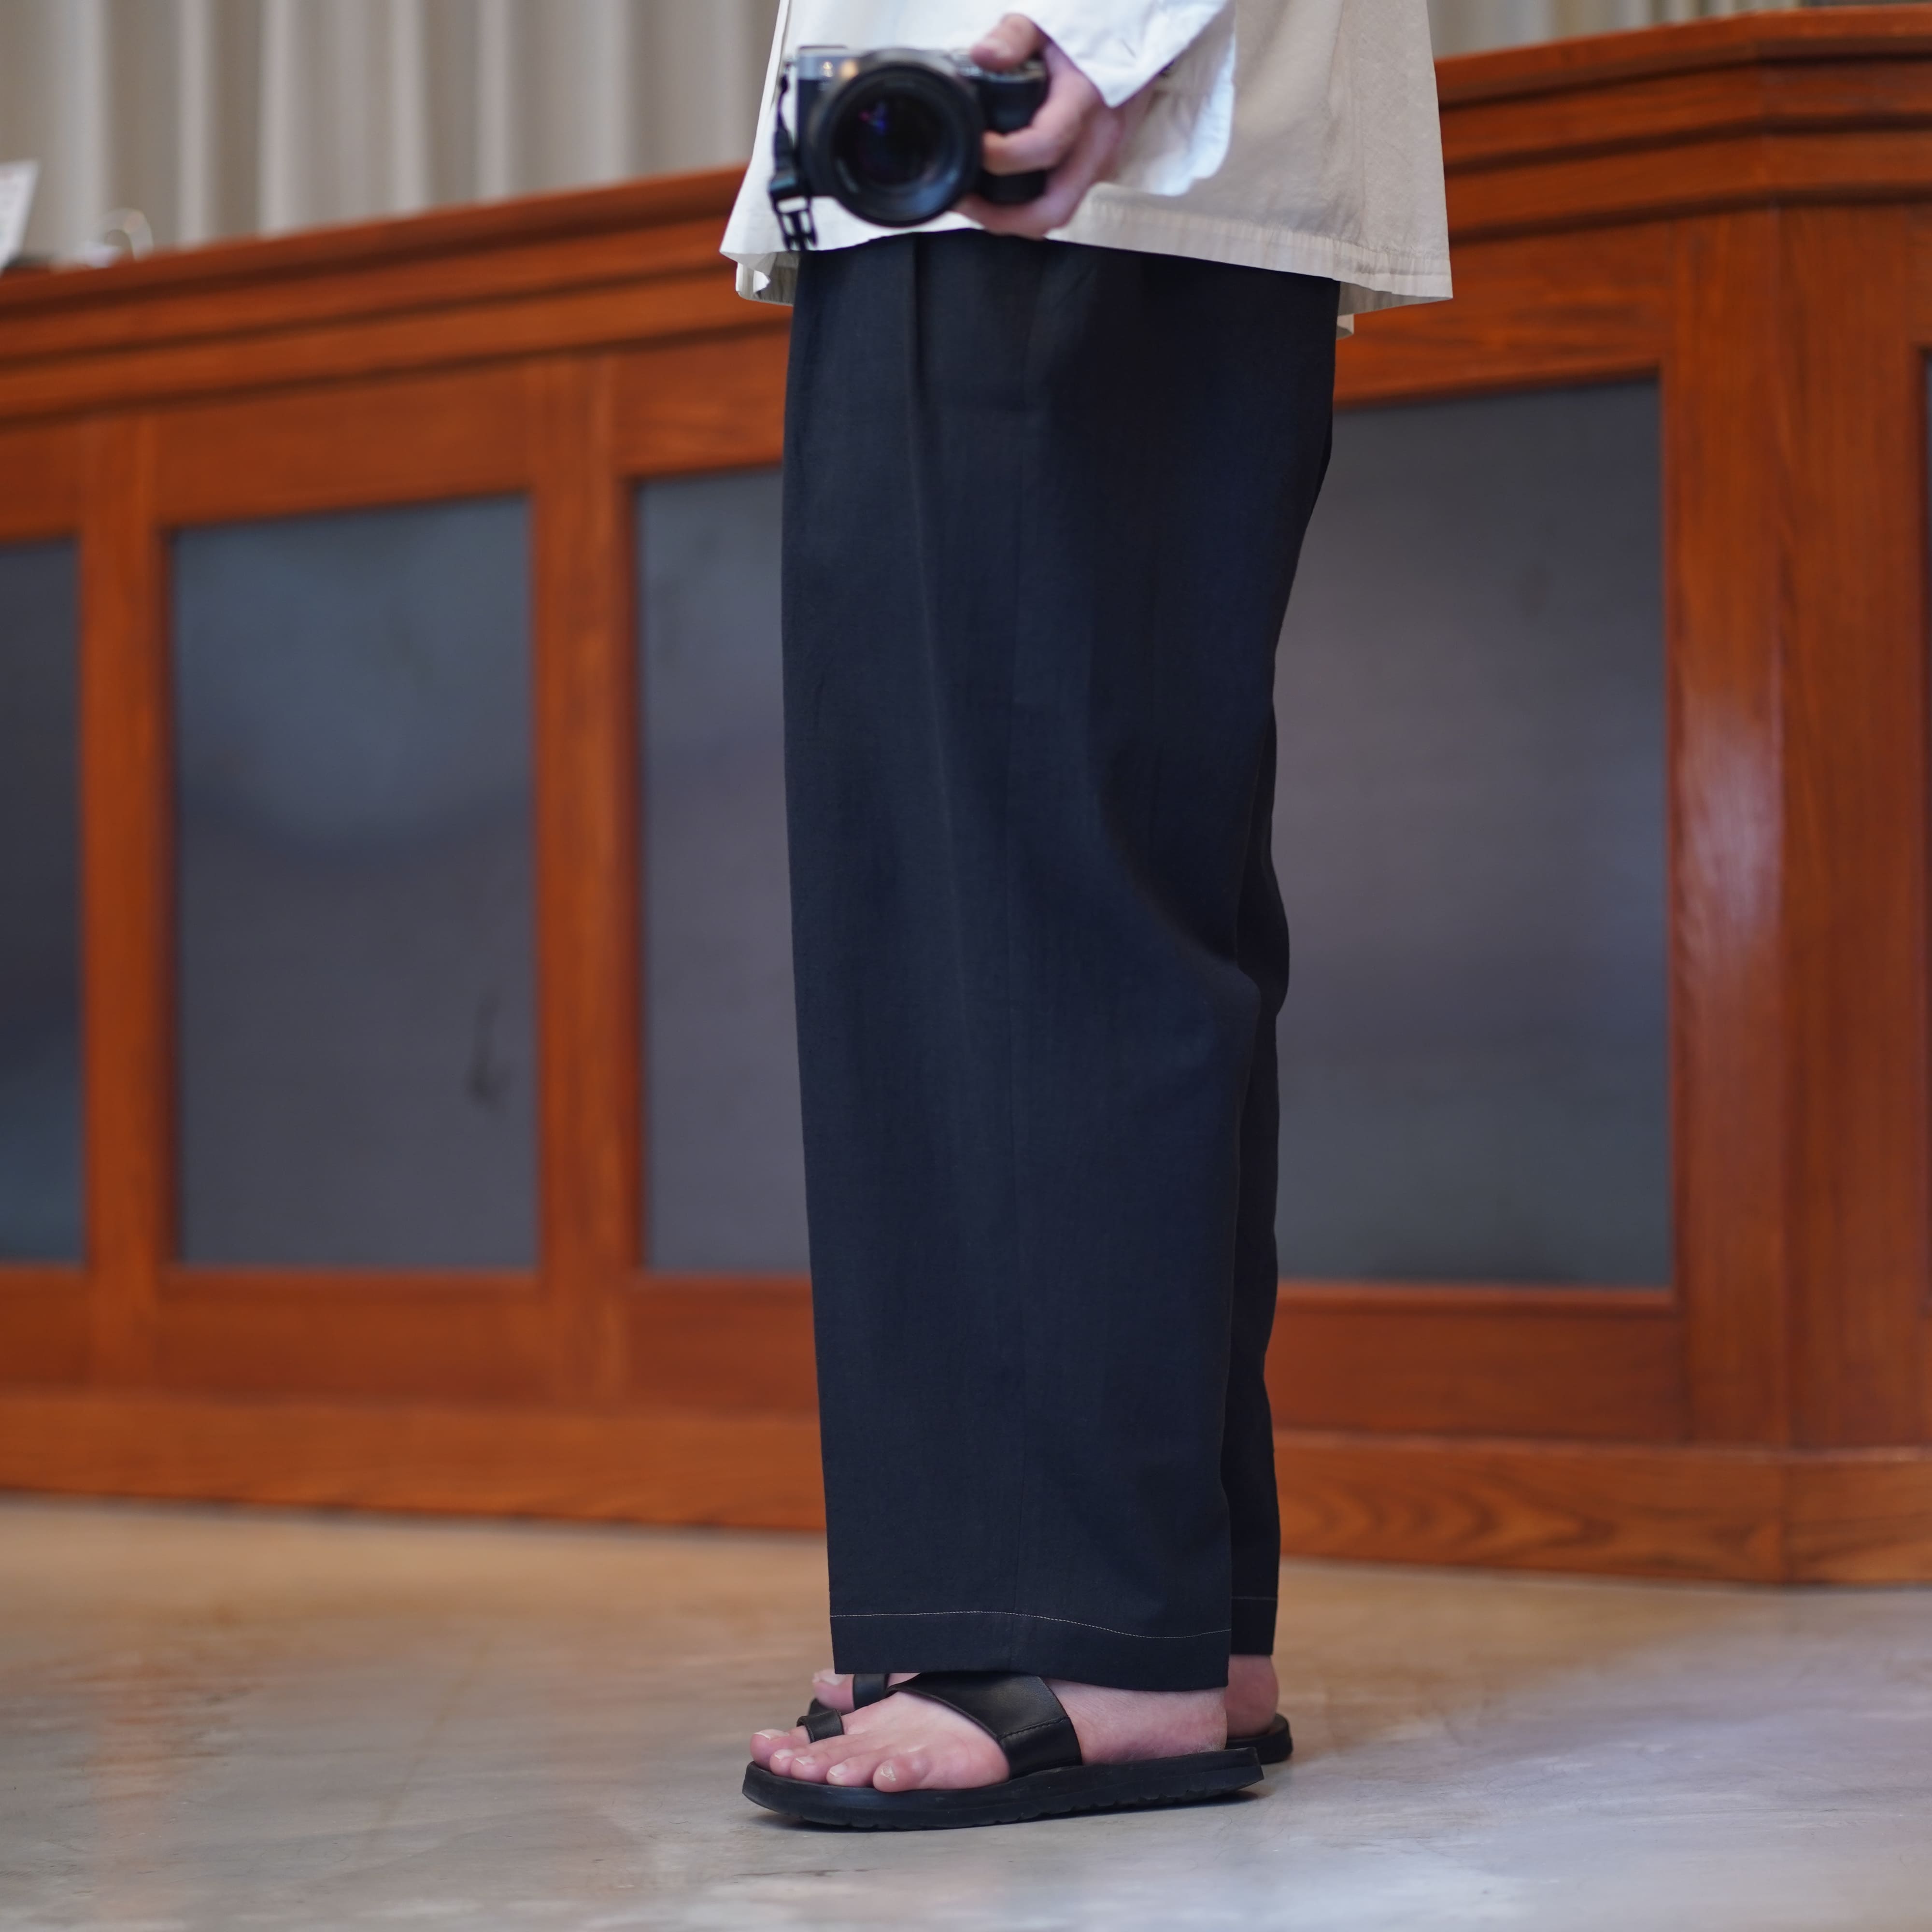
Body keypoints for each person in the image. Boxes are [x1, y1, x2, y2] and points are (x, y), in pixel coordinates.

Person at [723, 0, 1449, 1829]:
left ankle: (1094, 1641)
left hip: (1044, 129)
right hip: (1006, 147)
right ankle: (1153, 1614)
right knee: (1070, 883)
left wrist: (1094, 41)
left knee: (1034, 906)